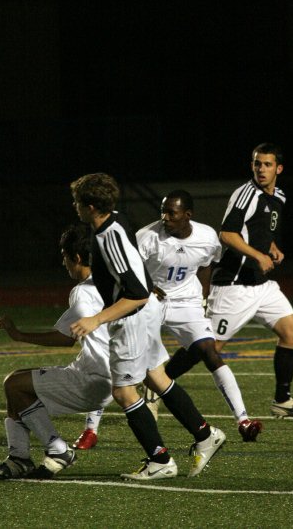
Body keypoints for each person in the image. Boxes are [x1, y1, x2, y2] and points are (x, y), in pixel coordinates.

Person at [74, 190, 262, 450]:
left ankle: (242, 419)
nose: (165, 217)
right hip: (147, 302)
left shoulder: (207, 236)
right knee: (116, 358)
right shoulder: (147, 237)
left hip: (185, 302)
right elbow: (128, 269)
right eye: (162, 211)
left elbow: (207, 263)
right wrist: (149, 287)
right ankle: (91, 429)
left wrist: (203, 296)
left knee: (208, 349)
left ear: (188, 215)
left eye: (171, 213)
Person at [69, 173, 226, 481]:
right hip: (147, 310)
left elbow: (136, 293)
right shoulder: (115, 219)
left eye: (76, 202)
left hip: (133, 315)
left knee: (123, 391)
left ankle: (160, 460)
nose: (74, 207)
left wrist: (96, 319)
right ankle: (206, 435)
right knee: (157, 377)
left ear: (89, 206)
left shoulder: (106, 237)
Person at [0, 223, 113, 480]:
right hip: (120, 378)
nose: (63, 263)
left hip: (94, 377)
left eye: (65, 257)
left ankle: (56, 450)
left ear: (76, 257)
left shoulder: (83, 291)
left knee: (14, 384)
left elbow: (65, 338)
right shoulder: (116, 282)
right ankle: (18, 458)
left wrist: (19, 335)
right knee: (18, 386)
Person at [206, 142, 293, 418]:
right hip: (234, 285)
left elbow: (263, 230)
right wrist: (258, 255)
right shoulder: (246, 194)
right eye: (257, 163)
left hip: (261, 285)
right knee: (207, 348)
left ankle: (282, 400)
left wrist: (272, 247)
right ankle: (156, 387)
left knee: (291, 333)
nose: (261, 169)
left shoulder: (278, 196)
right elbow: (227, 234)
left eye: (267, 164)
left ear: (279, 168)